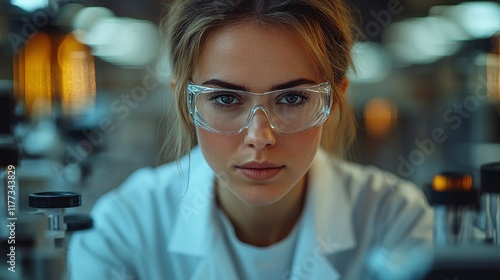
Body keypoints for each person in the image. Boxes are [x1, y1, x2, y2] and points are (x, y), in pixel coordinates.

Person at [68, 0, 433, 279]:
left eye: (292, 98)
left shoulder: (394, 219)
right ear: (184, 101)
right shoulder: (124, 230)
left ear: (334, 101)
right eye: (226, 99)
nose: (260, 137)